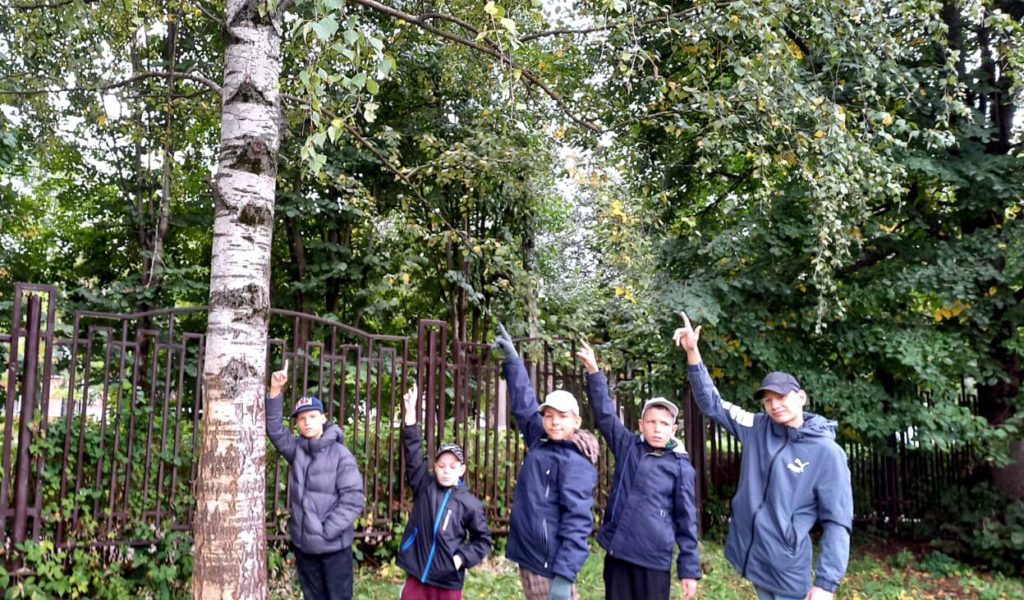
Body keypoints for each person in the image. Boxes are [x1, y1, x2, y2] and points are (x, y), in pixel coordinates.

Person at [672, 312, 853, 600]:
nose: (774, 405)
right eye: (768, 400)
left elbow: (838, 522)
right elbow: (712, 404)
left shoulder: (827, 453)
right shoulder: (757, 427)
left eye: (781, 397)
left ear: (801, 398)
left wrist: (826, 584)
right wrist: (693, 352)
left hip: (788, 569)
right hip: (754, 558)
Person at [576, 341, 700, 600]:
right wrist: (594, 370)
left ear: (673, 430)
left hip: (654, 560)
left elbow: (686, 519)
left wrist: (688, 569)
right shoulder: (627, 446)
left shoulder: (680, 466)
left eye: (664, 424)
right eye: (652, 422)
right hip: (619, 552)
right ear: (641, 424)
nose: (657, 428)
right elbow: (606, 414)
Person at [492, 324, 600, 600]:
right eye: (549, 415)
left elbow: (578, 520)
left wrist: (564, 576)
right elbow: (526, 403)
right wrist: (514, 360)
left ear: (576, 421)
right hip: (531, 556)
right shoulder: (542, 439)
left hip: (550, 562)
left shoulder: (576, 461)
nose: (554, 421)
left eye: (562, 416)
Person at [266, 361, 366, 600]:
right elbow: (275, 430)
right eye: (301, 419)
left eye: (312, 416)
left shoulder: (342, 456)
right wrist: (275, 390)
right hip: (304, 548)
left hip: (333, 547)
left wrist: (324, 531)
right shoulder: (297, 450)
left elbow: (353, 500)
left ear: (323, 418)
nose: (307, 422)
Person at [397, 382, 494, 599]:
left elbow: (483, 541)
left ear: (462, 469)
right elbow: (412, 452)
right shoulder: (425, 485)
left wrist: (460, 559)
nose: (446, 471)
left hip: (448, 581)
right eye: (441, 466)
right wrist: (411, 414)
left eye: (452, 466)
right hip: (418, 574)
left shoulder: (469, 503)